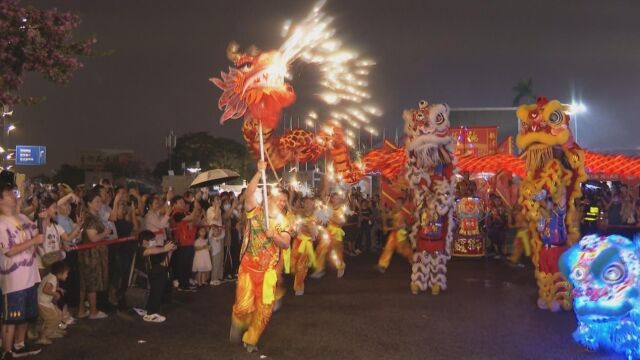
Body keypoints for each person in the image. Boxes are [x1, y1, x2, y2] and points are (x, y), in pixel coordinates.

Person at [229, 160, 292, 353]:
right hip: (248, 269)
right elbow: (248, 194)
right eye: (279, 199)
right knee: (243, 305)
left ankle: (251, 339)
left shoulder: (283, 222)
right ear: (269, 198)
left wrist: (274, 235)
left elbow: (286, 242)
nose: (282, 203)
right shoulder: (255, 212)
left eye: (284, 200)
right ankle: (238, 320)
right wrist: (258, 172)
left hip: (268, 274)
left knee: (264, 310)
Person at [0, 182, 44, 359]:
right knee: (11, 317)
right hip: (13, 279)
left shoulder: (20, 218)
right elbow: (9, 251)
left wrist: (44, 219)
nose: (13, 195)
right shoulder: (1, 224)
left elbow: (38, 236)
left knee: (25, 315)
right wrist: (32, 242)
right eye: (9, 194)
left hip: (29, 275)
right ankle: (7, 351)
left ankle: (19, 345)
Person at [77, 189, 111, 320]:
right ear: (89, 203)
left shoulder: (92, 216)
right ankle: (93, 311)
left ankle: (81, 310)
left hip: (90, 254)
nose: (99, 204)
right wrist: (105, 233)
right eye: (96, 202)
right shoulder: (89, 217)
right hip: (91, 255)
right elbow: (93, 238)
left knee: (85, 283)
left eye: (100, 201)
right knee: (92, 283)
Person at [108, 190, 140, 309]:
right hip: (119, 250)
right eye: (121, 207)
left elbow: (136, 229)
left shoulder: (126, 221)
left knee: (125, 273)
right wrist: (117, 202)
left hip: (128, 248)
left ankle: (122, 295)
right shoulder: (115, 221)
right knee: (117, 274)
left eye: (124, 207)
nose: (123, 209)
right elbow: (114, 217)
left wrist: (132, 213)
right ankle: (112, 295)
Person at [140, 230, 176, 323]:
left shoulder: (155, 250)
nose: (154, 241)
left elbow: (165, 264)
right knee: (159, 275)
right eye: (152, 240)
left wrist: (170, 251)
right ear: (145, 241)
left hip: (155, 272)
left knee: (162, 273)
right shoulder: (140, 249)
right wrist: (165, 249)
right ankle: (150, 314)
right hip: (142, 275)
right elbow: (148, 251)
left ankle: (152, 310)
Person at [312, 191, 347, 279]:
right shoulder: (328, 207)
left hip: (337, 233)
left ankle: (341, 267)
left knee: (337, 252)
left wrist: (330, 216)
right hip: (327, 232)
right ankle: (319, 269)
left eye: (338, 198)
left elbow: (341, 222)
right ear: (332, 198)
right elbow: (322, 218)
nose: (336, 199)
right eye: (335, 198)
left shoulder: (341, 209)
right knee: (320, 249)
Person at [36, 261, 70, 345]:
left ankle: (53, 331)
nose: (67, 275)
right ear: (59, 274)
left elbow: (52, 286)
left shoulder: (52, 277)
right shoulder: (52, 279)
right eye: (66, 274)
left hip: (46, 302)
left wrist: (58, 289)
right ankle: (43, 336)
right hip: (43, 303)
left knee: (58, 314)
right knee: (52, 319)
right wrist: (55, 293)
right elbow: (46, 289)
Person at [171, 196, 200, 292]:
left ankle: (186, 284)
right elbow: (192, 217)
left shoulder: (185, 213)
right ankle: (182, 285)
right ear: (174, 204)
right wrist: (195, 207)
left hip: (189, 241)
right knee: (183, 265)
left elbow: (195, 220)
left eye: (183, 202)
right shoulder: (176, 214)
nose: (183, 204)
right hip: (182, 243)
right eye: (180, 202)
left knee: (188, 264)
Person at [291, 196, 317, 296]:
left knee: (301, 265)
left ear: (313, 204)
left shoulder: (316, 216)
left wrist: (305, 227)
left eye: (310, 203)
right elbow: (290, 209)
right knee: (295, 263)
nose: (308, 205)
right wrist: (292, 193)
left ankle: (299, 286)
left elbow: (313, 233)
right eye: (306, 203)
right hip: (297, 241)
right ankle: (299, 280)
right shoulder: (300, 212)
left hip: (307, 243)